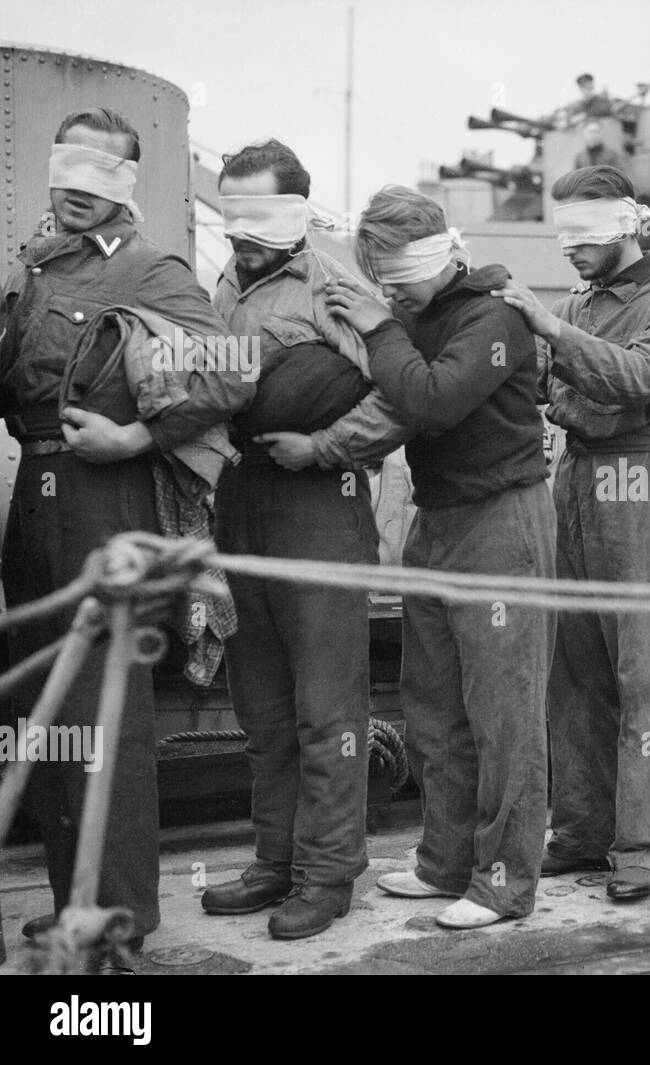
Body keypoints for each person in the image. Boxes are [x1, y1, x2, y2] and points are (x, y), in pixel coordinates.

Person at [0, 108, 254, 968]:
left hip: (102, 497)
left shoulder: (151, 267)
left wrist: (140, 438)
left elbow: (233, 372)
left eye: (99, 175)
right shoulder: (36, 270)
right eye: (67, 168)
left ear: (127, 185)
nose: (77, 189)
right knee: (46, 708)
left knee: (102, 710)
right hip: (35, 502)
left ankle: (119, 912)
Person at [325, 185, 555, 928]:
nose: (389, 291)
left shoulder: (495, 317)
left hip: (501, 519)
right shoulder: (416, 315)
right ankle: (444, 860)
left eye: (397, 275)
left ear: (437, 253)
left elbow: (431, 398)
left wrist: (373, 324)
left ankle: (503, 882)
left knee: (503, 714)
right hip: (438, 519)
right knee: (431, 709)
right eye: (378, 278)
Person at [198, 140, 408, 939]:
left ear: (299, 209)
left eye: (259, 214)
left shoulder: (335, 285)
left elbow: (402, 392)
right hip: (243, 496)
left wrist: (324, 447)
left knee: (327, 705)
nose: (242, 231)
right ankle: (274, 859)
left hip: (318, 501)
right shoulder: (224, 280)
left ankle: (326, 874)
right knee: (261, 703)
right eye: (232, 212)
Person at [494, 165, 650, 902]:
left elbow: (639, 376)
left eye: (582, 236)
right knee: (575, 665)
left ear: (625, 225)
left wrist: (557, 339)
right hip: (580, 477)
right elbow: (564, 391)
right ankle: (585, 826)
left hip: (649, 478)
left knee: (646, 665)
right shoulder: (584, 300)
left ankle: (648, 844)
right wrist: (590, 393)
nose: (568, 251)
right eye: (563, 235)